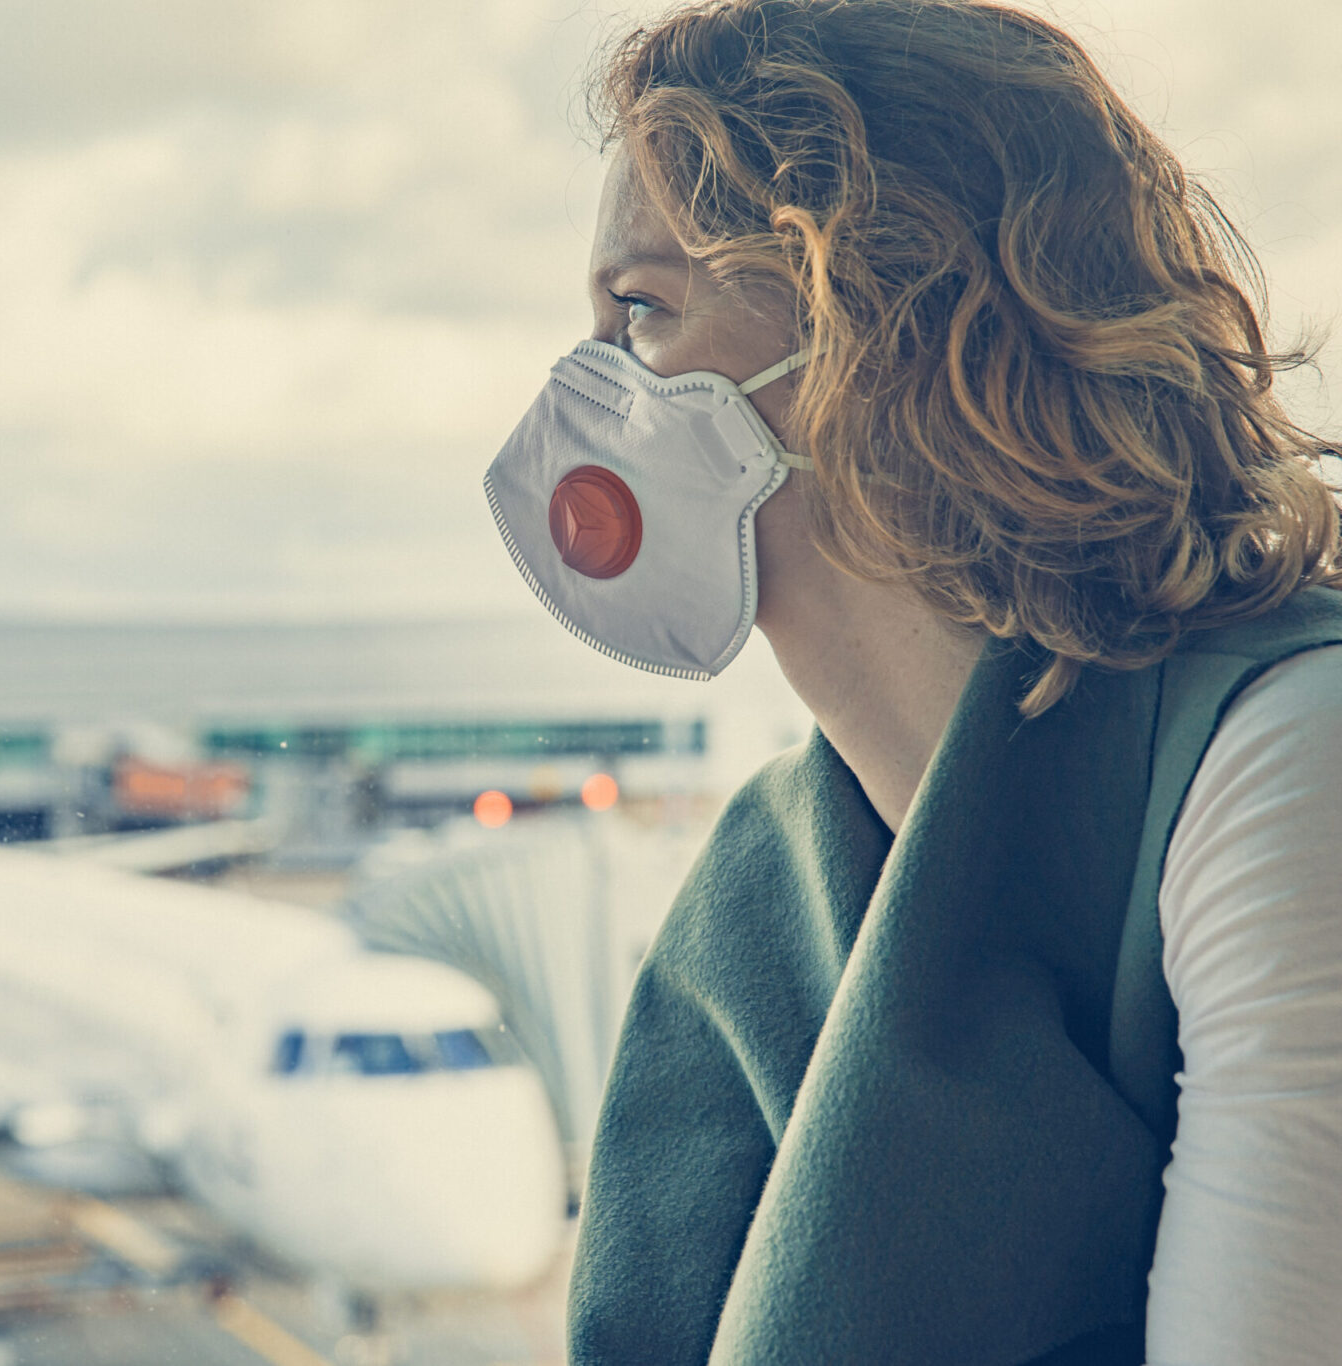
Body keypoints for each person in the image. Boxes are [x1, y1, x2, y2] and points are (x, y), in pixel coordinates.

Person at [481, 1, 1342, 1362]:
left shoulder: (1284, 760)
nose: (590, 392)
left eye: (642, 311)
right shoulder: (758, 889)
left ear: (873, 322)